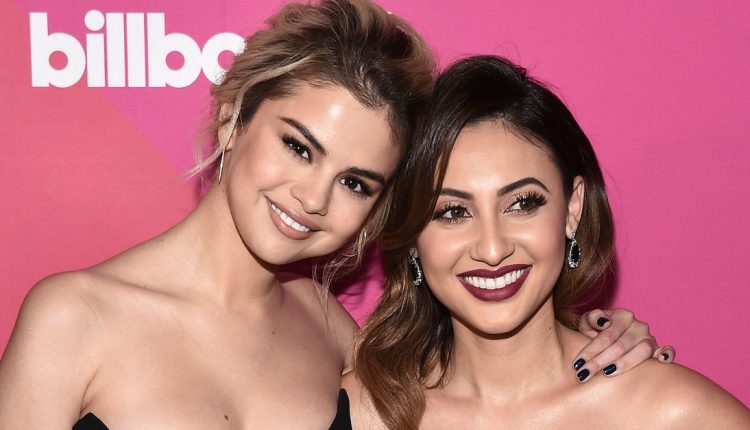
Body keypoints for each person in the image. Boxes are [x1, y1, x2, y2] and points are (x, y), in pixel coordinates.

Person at [0, 2, 670, 429]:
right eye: (299, 147)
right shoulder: (73, 318)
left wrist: (599, 338)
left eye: (354, 181)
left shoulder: (334, 332)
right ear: (233, 118)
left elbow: (479, 385)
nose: (314, 198)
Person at [344, 55, 750, 429]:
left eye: (522, 203)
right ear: (412, 238)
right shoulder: (362, 413)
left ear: (573, 209)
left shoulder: (674, 416)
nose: (492, 250)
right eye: (452, 212)